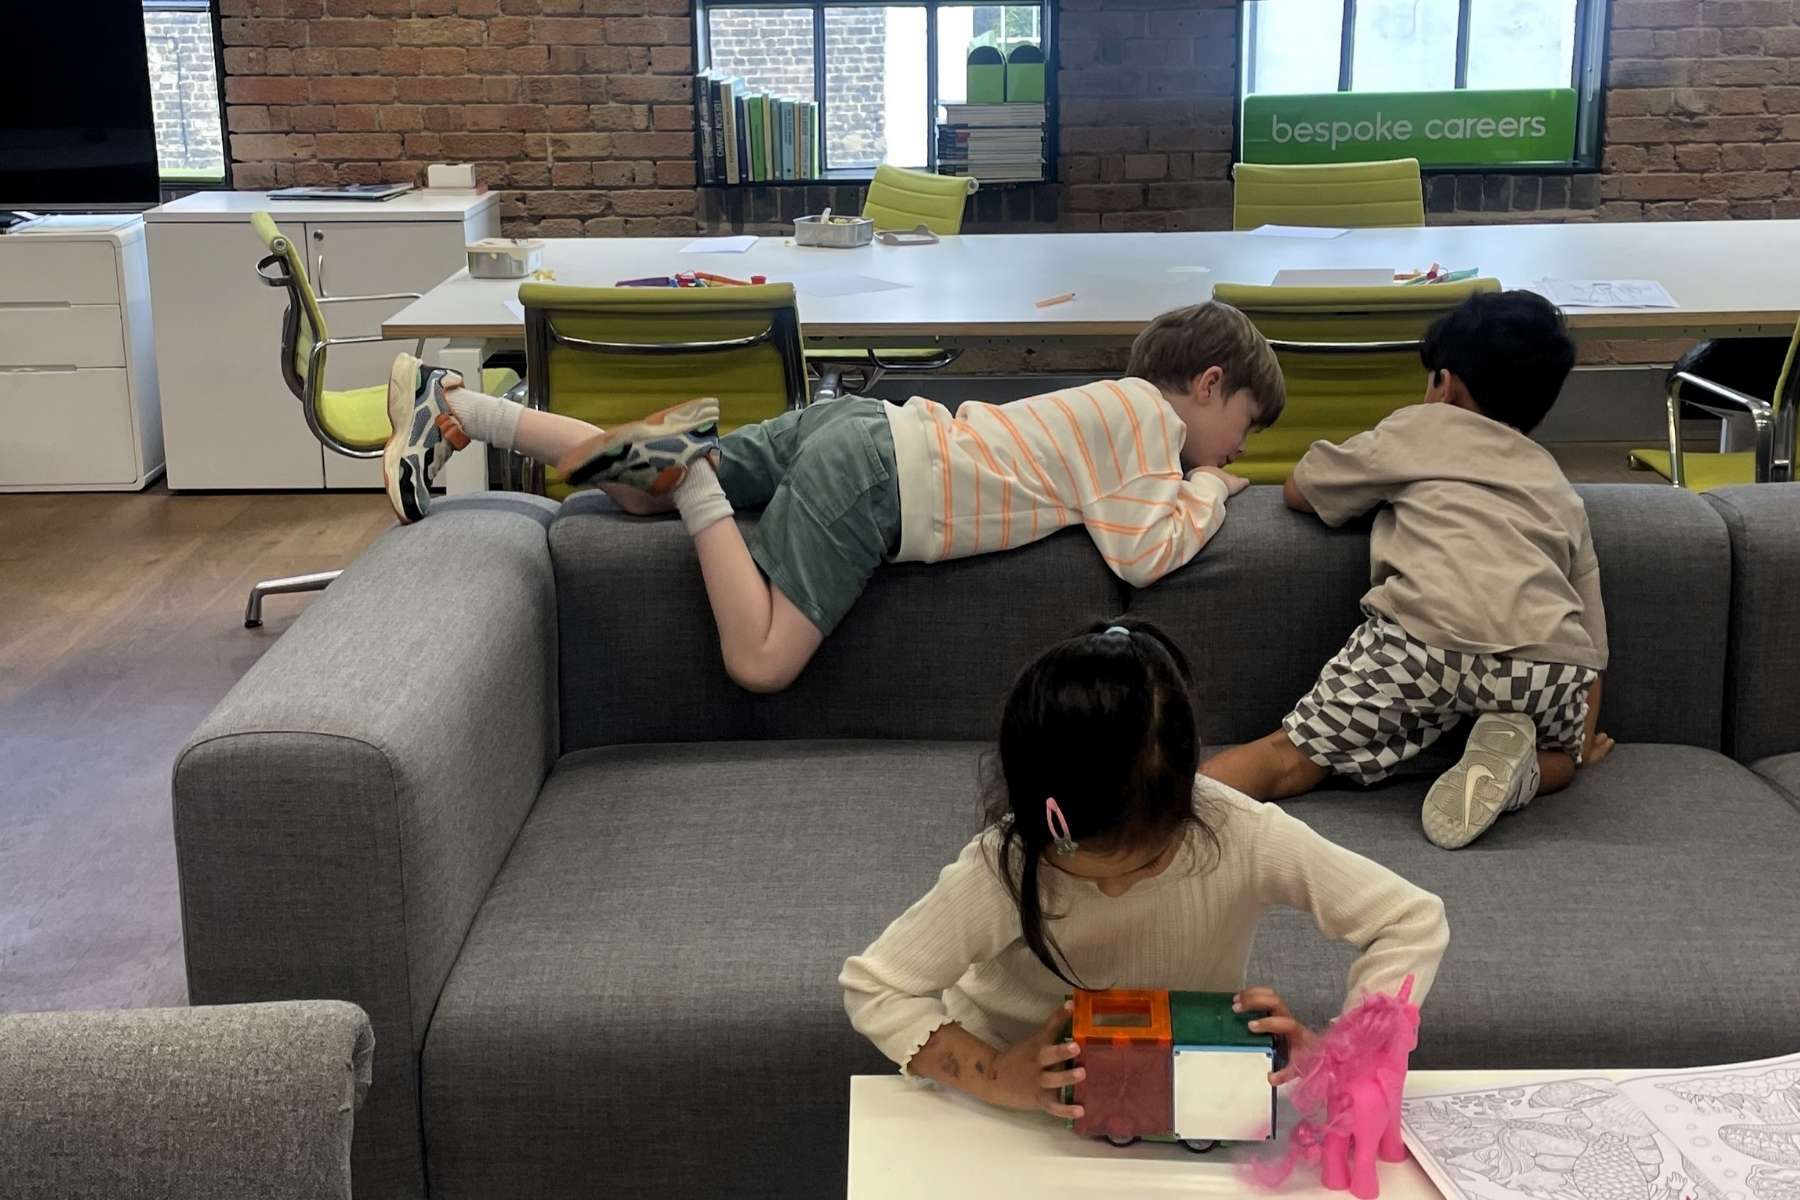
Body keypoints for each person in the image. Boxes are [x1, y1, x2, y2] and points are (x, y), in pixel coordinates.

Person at [380, 301, 1285, 693]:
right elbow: (1143, 552)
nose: (1242, 446)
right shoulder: (1150, 427)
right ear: (1205, 385)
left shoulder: (1114, 407)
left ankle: (463, 407)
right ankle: (693, 474)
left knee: (636, 493)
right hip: (884, 477)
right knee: (763, 660)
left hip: (852, 426)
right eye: (1244, 422)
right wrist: (1210, 484)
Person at [838, 620, 1448, 1120]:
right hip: (1013, 1102)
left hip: (1180, 1088)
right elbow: (876, 986)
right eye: (1077, 865)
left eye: (1149, 860)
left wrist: (1345, 1052)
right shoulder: (1006, 863)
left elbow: (1409, 919)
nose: (1113, 888)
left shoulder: (1240, 830)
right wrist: (996, 1074)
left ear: (1187, 809)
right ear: (1034, 815)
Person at [1202, 290, 1612, 851]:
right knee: (1562, 759)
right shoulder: (1558, 486)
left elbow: (1303, 490)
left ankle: (1160, 815)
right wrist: (1580, 740)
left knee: (1287, 759)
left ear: (1443, 384)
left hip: (1424, 642)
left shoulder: (1418, 429)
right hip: (1546, 665)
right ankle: (1524, 768)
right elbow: (1592, 637)